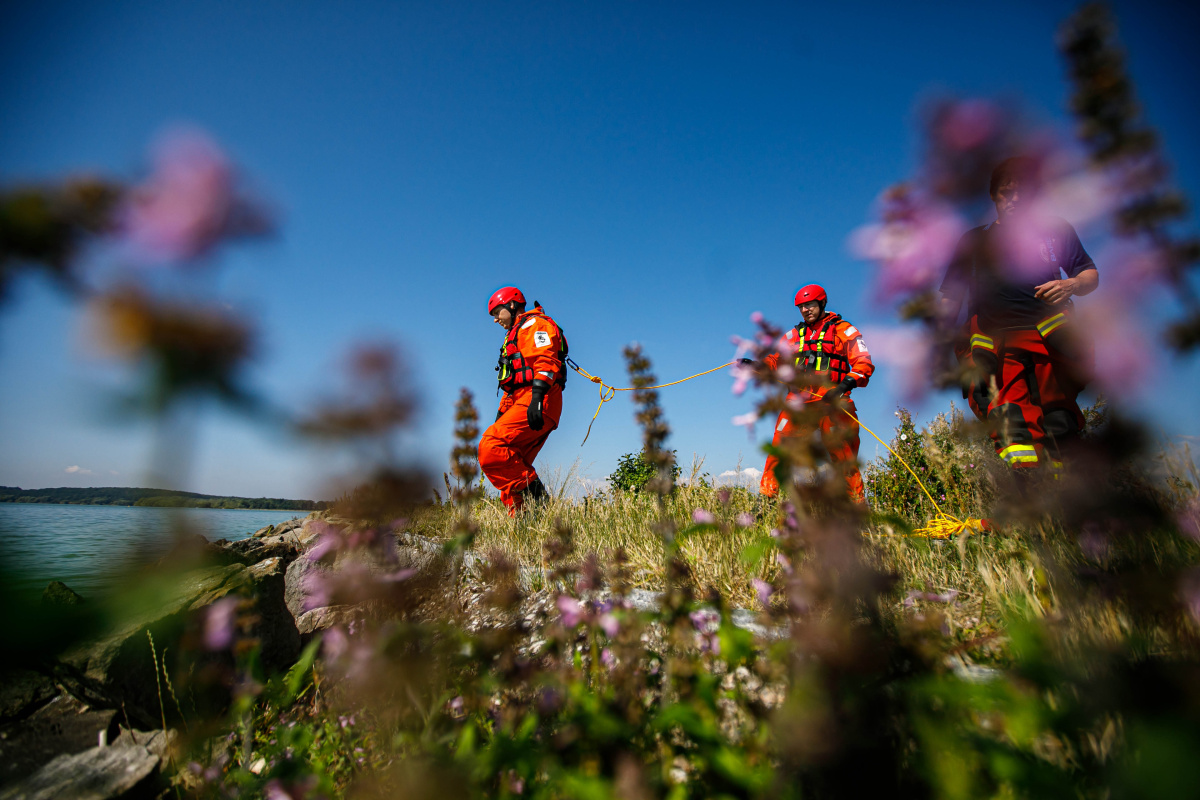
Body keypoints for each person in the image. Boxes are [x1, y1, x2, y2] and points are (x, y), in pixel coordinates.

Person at [940, 156, 1099, 474]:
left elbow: (1089, 275)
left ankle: (1074, 503)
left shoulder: (1056, 231)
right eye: (1005, 192)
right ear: (993, 196)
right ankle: (1029, 501)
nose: (1013, 199)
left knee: (1060, 418)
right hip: (995, 342)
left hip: (1052, 337)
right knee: (1012, 423)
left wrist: (1071, 284)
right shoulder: (974, 240)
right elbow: (950, 297)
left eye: (1020, 192)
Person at [759, 284, 875, 502]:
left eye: (810, 305)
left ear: (822, 303)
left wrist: (843, 387)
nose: (805, 310)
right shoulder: (793, 335)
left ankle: (856, 505)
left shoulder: (844, 330)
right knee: (780, 448)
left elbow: (863, 363)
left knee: (843, 455)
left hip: (833, 401)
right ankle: (766, 500)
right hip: (798, 402)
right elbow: (775, 359)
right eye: (801, 307)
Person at [478, 286, 568, 515]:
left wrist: (537, 397)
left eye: (497, 312)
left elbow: (546, 362)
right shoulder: (514, 334)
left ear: (511, 305)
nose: (496, 319)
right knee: (511, 464)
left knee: (490, 447)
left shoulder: (534, 325)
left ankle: (539, 500)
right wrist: (501, 415)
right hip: (523, 401)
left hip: (540, 400)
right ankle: (524, 520)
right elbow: (512, 385)